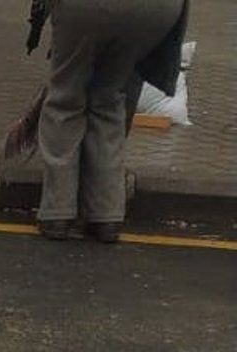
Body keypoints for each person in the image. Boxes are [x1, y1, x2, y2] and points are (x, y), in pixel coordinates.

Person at [34, 0, 188, 240]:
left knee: (66, 99)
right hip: (158, 10)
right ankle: (106, 216)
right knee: (108, 99)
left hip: (88, 8)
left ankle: (57, 213)